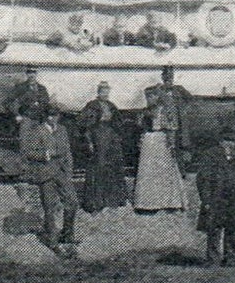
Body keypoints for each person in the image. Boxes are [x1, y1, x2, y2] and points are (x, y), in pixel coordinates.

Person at [196, 121, 235, 265]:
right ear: (220, 141)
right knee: (214, 229)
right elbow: (203, 179)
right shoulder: (210, 156)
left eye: (232, 141)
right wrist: (206, 200)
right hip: (216, 199)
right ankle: (212, 259)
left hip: (234, 200)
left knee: (232, 229)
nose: (229, 144)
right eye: (226, 140)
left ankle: (230, 258)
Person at [19, 104, 78, 251]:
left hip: (61, 172)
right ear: (45, 116)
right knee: (49, 207)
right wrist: (44, 155)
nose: (53, 118)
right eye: (50, 115)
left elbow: (68, 152)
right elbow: (28, 153)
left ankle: (67, 234)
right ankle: (52, 240)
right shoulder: (37, 131)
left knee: (72, 202)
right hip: (45, 173)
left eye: (56, 115)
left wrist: (69, 172)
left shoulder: (62, 130)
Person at [133, 80, 186, 212]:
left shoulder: (167, 110)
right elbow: (140, 127)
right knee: (148, 172)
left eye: (152, 96)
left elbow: (172, 127)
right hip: (148, 142)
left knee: (165, 171)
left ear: (158, 96)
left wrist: (172, 144)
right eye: (147, 97)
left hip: (162, 140)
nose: (149, 99)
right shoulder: (145, 111)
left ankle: (170, 203)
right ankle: (148, 204)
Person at [77, 81, 129, 211]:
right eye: (102, 91)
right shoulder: (92, 105)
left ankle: (113, 200)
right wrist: (89, 141)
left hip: (111, 138)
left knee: (113, 166)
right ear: (98, 92)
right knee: (99, 167)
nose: (105, 94)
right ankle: (96, 202)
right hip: (98, 137)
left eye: (107, 91)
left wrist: (117, 134)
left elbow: (118, 122)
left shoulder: (111, 105)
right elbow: (84, 124)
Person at [144, 66, 194, 167]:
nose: (169, 80)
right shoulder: (156, 89)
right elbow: (150, 104)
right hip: (161, 122)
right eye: (166, 77)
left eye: (171, 77)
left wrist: (184, 109)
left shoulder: (178, 89)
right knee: (161, 144)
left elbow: (190, 100)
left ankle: (177, 168)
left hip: (177, 122)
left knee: (176, 145)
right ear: (162, 78)